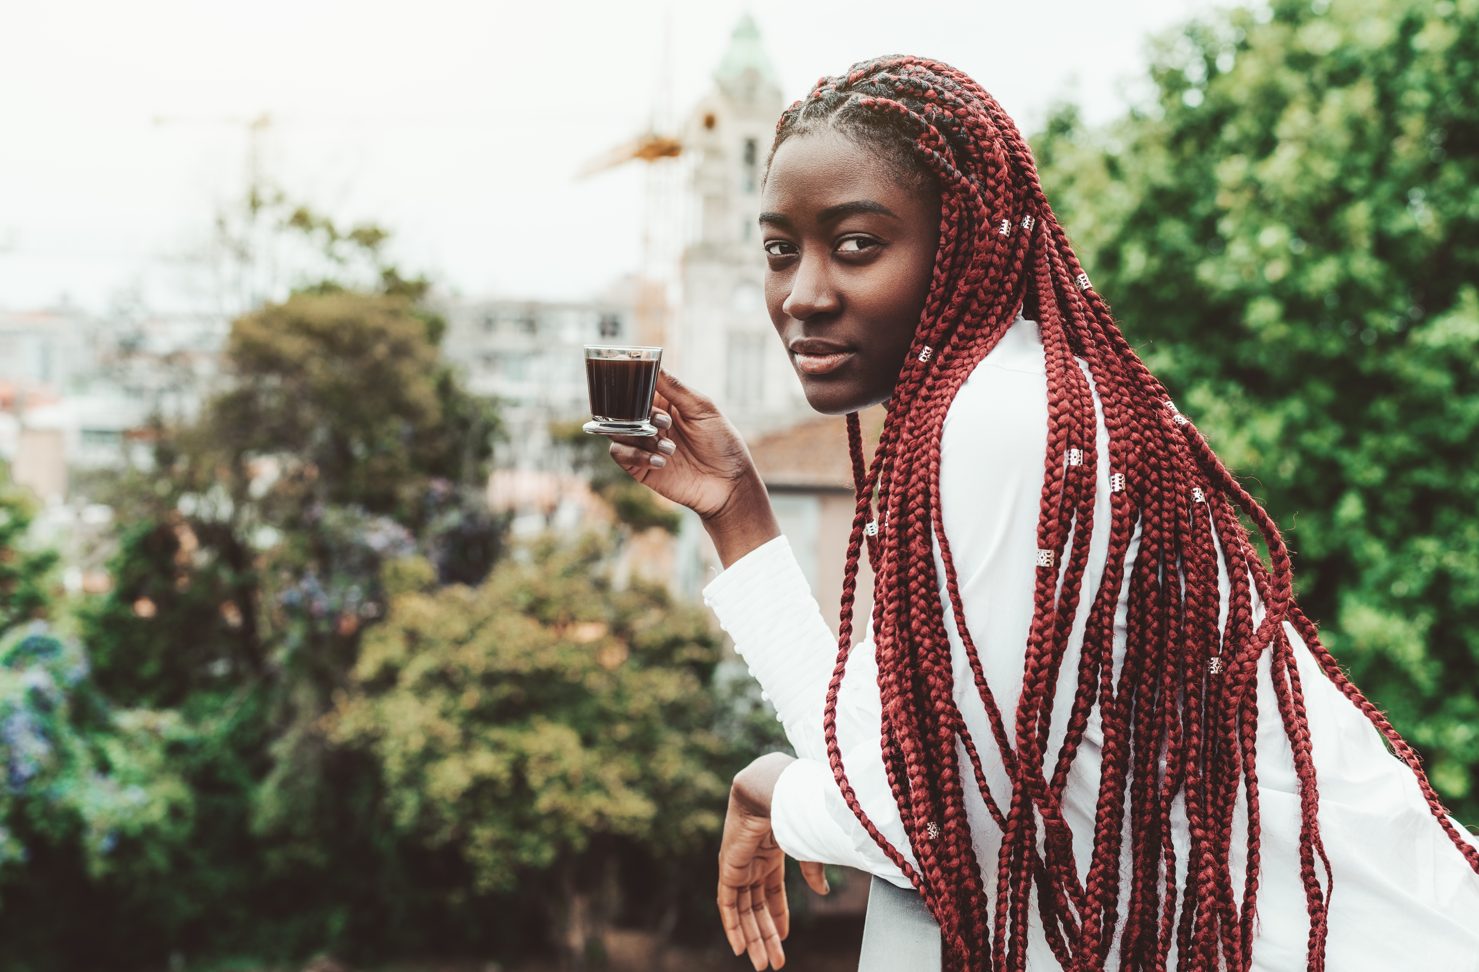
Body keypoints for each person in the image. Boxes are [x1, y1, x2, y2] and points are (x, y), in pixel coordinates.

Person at [605, 55, 1479, 971]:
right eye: (781, 250)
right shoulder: (988, 405)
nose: (803, 294)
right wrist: (736, 509)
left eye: (856, 244)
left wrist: (771, 795)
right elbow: (883, 749)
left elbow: (943, 820)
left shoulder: (1001, 419)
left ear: (967, 241)